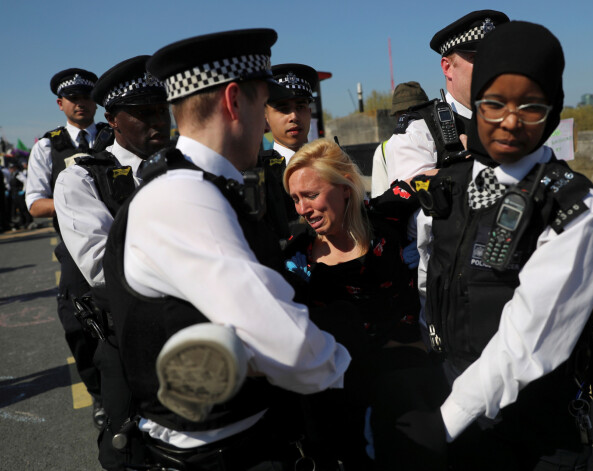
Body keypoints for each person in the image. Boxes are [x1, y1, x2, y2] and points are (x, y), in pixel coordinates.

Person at [101, 29, 350, 470]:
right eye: (264, 104)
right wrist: (346, 365)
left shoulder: (209, 187)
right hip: (218, 455)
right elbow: (293, 349)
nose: (266, 120)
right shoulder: (182, 197)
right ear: (235, 102)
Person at [418, 21, 593, 470]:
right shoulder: (447, 184)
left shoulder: (571, 204)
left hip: (531, 430)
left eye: (530, 107)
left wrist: (443, 421)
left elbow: (526, 343)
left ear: (553, 110)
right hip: (454, 407)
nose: (509, 121)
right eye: (494, 103)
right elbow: (428, 279)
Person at [283, 138, 446, 470]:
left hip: (409, 389)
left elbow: (430, 178)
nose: (303, 209)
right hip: (341, 401)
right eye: (296, 199)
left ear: (345, 187)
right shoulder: (295, 258)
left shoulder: (386, 220)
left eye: (311, 195)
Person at [53, 55, 171, 471]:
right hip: (128, 341)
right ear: (114, 120)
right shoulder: (81, 179)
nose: (158, 121)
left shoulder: (185, 166)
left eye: (162, 110)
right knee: (131, 454)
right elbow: (107, 271)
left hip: (194, 340)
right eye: (143, 113)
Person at [25, 68, 109, 427]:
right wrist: (77, 200)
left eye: (87, 97)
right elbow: (34, 203)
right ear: (61, 104)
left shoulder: (113, 133)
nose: (81, 104)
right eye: (73, 99)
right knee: (79, 326)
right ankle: (99, 394)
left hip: (122, 239)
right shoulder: (49, 146)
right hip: (75, 250)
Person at [385, 10, 509, 183]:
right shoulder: (418, 133)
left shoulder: (515, 121)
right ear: (448, 67)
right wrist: (475, 171)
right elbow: (419, 206)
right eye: (476, 58)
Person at [259, 63, 319, 242]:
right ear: (266, 118)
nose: (294, 116)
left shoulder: (334, 162)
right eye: (283, 108)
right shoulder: (260, 172)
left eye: (300, 107)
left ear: (309, 113)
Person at [370, 81, 428, 198]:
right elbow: (381, 201)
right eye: (403, 114)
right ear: (396, 116)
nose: (410, 119)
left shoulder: (446, 141)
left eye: (414, 112)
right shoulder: (383, 151)